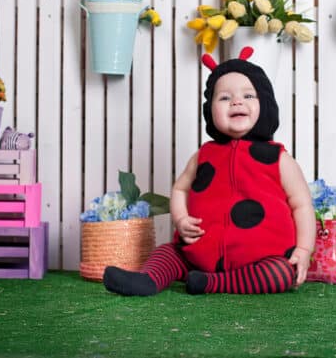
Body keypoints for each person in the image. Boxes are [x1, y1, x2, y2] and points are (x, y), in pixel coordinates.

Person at [103, 46, 316, 295]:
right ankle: (147, 280)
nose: (236, 101)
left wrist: (303, 250)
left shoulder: (278, 159)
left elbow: (302, 205)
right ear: (210, 110)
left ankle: (212, 283)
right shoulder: (203, 155)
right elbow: (180, 188)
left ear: (265, 104)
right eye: (224, 97)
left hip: (261, 258)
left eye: (248, 96)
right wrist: (181, 219)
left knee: (280, 274)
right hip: (199, 253)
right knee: (168, 251)